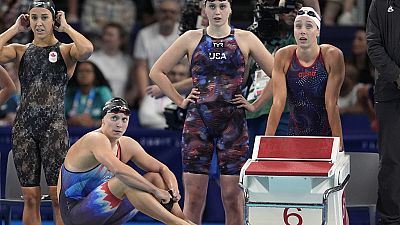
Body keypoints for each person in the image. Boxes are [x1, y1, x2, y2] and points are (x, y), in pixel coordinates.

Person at [149, 0, 274, 224]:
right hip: (198, 124)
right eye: (213, 6)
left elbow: (279, 74)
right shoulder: (191, 38)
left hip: (233, 125)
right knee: (194, 200)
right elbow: (156, 71)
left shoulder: (245, 38)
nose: (218, 12)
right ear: (204, 9)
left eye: (222, 6)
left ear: (231, 9)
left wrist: (256, 104)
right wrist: (179, 100)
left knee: (232, 198)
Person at [0, 0, 94, 224]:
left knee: (57, 196)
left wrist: (67, 28)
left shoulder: (65, 50)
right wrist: (14, 29)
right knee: (30, 198)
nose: (39, 23)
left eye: (44, 17)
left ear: (54, 20)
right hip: (24, 128)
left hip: (54, 128)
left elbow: (87, 50)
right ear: (28, 21)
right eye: (34, 18)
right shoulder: (21, 51)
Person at [58, 97, 194, 225]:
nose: (119, 124)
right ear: (103, 120)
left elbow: (162, 169)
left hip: (105, 213)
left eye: (124, 119)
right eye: (114, 118)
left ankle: (183, 219)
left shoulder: (126, 144)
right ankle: (177, 223)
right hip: (75, 216)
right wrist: (155, 191)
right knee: (124, 180)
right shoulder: (94, 138)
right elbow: (119, 170)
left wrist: (173, 190)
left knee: (155, 177)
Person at [262, 7, 345, 151]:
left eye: (309, 26)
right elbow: (278, 103)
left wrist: (338, 143)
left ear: (318, 31)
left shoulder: (332, 56)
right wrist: (267, 142)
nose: (303, 31)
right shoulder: (283, 56)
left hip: (326, 137)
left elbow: (331, 103)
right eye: (298, 26)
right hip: (295, 136)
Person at [366, 0, 400, 224]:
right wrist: (397, 76)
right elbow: (373, 44)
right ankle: (391, 218)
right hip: (390, 91)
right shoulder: (379, 3)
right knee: (391, 158)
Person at [64, 61, 113, 128]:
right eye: (80, 71)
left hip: (97, 134)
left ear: (95, 75)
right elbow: (57, 118)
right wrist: (71, 122)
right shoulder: (69, 92)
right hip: (71, 134)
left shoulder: (103, 92)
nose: (84, 74)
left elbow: (113, 117)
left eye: (88, 71)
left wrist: (94, 123)